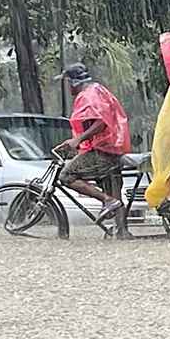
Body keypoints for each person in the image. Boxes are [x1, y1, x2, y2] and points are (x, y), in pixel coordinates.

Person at [55, 63, 131, 222]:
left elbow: (101, 123)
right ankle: (121, 231)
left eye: (68, 83)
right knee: (114, 191)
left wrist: (79, 139)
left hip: (104, 151)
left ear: (74, 82)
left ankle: (107, 201)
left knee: (66, 175)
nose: (67, 88)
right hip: (113, 149)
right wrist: (75, 142)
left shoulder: (88, 95)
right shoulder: (98, 91)